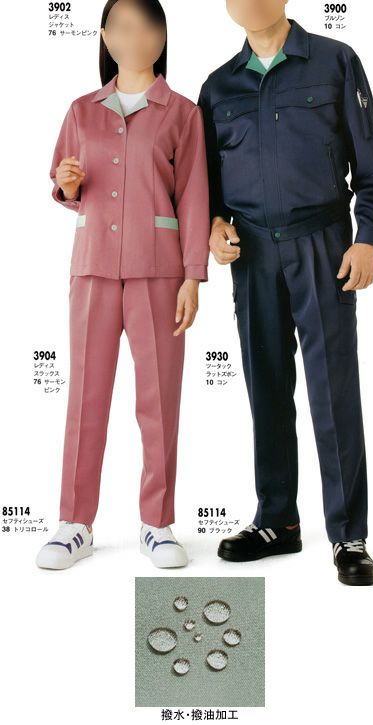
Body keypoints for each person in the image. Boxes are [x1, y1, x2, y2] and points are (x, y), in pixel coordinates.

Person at [197, 0, 373, 585]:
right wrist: (214, 225)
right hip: (253, 253)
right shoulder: (217, 87)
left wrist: (368, 238)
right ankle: (277, 521)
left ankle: (349, 534)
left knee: (333, 389)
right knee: (266, 386)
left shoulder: (335, 61)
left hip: (323, 244)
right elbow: (206, 186)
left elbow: (372, 169)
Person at [36, 0, 210, 570]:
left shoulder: (182, 113)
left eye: (148, 26)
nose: (136, 37)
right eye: (124, 27)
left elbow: (193, 197)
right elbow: (66, 184)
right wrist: (67, 184)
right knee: (85, 396)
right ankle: (74, 523)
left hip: (159, 269)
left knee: (159, 399)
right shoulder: (81, 111)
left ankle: (157, 524)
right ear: (106, 37)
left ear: (163, 36)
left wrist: (193, 277)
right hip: (92, 267)